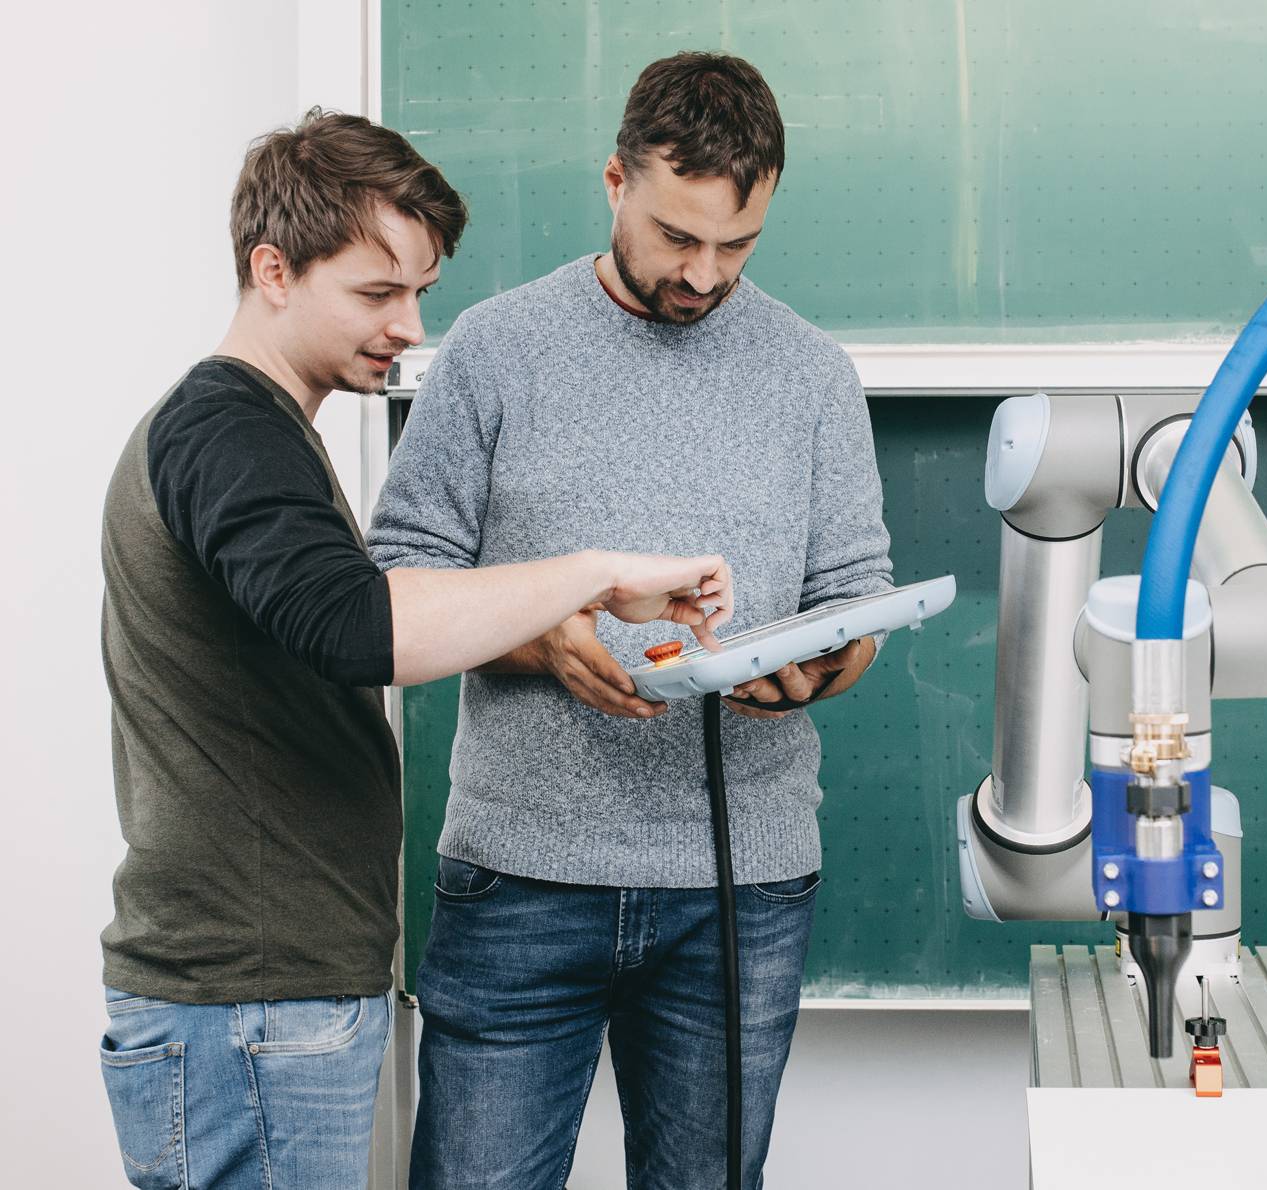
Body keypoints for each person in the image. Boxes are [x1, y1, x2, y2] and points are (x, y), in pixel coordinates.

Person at [98, 107, 731, 1190]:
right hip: (247, 998)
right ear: (273, 270)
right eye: (376, 292)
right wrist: (588, 573)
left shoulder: (255, 432)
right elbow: (361, 625)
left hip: (267, 996)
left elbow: (356, 612)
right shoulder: (229, 432)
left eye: (419, 294)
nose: (406, 327)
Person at [367, 52, 893, 1188]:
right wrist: (544, 636)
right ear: (613, 180)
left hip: (739, 889)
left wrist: (822, 662)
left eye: (737, 244)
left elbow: (857, 592)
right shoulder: (495, 353)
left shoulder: (813, 375)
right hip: (520, 878)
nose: (704, 274)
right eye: (675, 236)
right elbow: (398, 584)